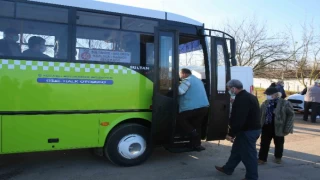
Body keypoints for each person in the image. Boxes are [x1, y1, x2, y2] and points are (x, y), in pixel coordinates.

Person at [215, 79, 261, 180]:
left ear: (233, 88)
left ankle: (251, 177)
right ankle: (228, 168)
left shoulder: (242, 100)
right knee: (236, 151)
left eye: (229, 89)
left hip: (248, 131)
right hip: (250, 129)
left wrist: (231, 134)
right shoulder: (249, 96)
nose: (228, 91)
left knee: (249, 156)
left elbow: (238, 119)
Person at [258, 87, 294, 165]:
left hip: (279, 127)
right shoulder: (265, 103)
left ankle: (278, 157)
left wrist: (288, 127)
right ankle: (262, 158)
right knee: (264, 143)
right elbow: (260, 114)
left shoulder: (285, 103)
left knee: (279, 143)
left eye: (268, 94)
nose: (266, 96)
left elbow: (291, 115)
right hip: (266, 126)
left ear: (275, 95)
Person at [176, 68, 209, 151]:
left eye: (180, 74)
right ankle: (196, 145)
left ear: (183, 74)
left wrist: (173, 86)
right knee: (197, 125)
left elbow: (180, 91)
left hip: (192, 107)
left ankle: (192, 132)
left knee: (180, 118)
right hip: (204, 107)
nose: (180, 76)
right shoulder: (198, 80)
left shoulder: (187, 80)